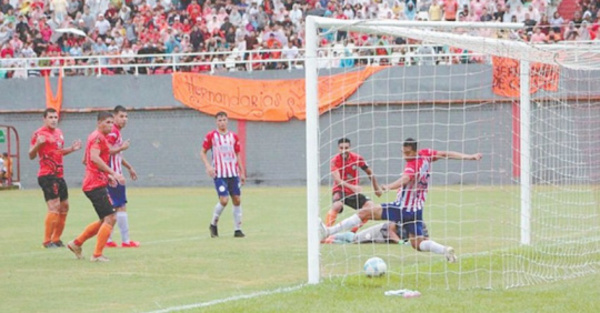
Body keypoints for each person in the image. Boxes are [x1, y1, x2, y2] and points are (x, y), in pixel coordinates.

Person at [320, 138, 483, 263]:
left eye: (407, 153)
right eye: (403, 152)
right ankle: (445, 250)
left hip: (402, 207)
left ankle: (329, 232)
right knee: (417, 243)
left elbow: (405, 179)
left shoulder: (412, 165)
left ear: (413, 151)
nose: (404, 156)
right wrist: (470, 157)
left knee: (364, 212)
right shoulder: (426, 155)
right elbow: (446, 154)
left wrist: (388, 186)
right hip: (417, 210)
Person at [67, 112, 125, 262]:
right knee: (111, 217)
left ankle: (76, 243)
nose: (111, 125)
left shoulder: (95, 137)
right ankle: (97, 255)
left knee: (103, 219)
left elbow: (85, 160)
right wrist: (113, 173)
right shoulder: (98, 137)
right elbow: (93, 158)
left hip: (95, 182)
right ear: (99, 123)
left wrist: (107, 176)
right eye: (107, 122)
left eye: (112, 123)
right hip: (94, 185)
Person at [29, 108, 82, 248]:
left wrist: (72, 149)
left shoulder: (59, 133)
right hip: (47, 175)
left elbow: (57, 152)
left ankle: (56, 239)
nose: (53, 120)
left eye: (55, 117)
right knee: (54, 206)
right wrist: (37, 145)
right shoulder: (39, 134)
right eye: (51, 117)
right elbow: (31, 155)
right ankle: (47, 241)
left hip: (59, 175)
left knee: (64, 207)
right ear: (44, 119)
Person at [201, 111, 246, 238]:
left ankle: (238, 229)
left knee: (237, 199)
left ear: (227, 121)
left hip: (233, 173)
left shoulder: (233, 137)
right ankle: (213, 224)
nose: (222, 122)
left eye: (224, 120)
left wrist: (242, 172)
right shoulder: (211, 136)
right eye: (219, 120)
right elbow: (202, 152)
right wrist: (208, 166)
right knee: (224, 200)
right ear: (216, 122)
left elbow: (237, 154)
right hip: (219, 174)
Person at [326, 138, 381, 231]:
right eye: (341, 148)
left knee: (371, 207)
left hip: (353, 192)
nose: (344, 150)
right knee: (337, 206)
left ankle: (353, 231)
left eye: (346, 148)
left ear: (350, 147)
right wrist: (353, 187)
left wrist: (376, 188)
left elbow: (370, 172)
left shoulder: (357, 158)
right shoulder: (334, 161)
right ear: (338, 148)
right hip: (340, 190)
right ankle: (326, 231)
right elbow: (338, 180)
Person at [104, 105, 139, 248]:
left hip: (113, 174)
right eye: (121, 116)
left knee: (112, 208)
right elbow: (106, 152)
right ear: (114, 117)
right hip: (114, 175)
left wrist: (129, 166)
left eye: (126, 117)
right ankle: (125, 241)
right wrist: (111, 173)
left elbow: (116, 154)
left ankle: (108, 240)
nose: (124, 119)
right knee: (121, 207)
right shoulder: (113, 133)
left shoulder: (115, 132)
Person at [323, 221, 429, 245]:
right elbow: (389, 229)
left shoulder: (420, 224)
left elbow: (426, 239)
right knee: (355, 239)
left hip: (385, 239)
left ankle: (329, 239)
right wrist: (400, 242)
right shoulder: (403, 216)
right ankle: (328, 237)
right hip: (381, 232)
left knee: (354, 242)